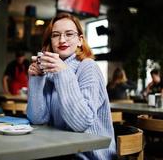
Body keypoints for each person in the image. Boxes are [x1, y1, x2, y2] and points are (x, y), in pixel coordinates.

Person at [27, 13, 116, 160]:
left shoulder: (88, 67)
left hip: (89, 155)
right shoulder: (50, 72)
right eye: (56, 35)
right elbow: (37, 119)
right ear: (50, 40)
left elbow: (80, 123)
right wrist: (37, 79)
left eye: (69, 34)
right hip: (59, 150)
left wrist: (63, 73)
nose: (62, 40)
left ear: (80, 40)